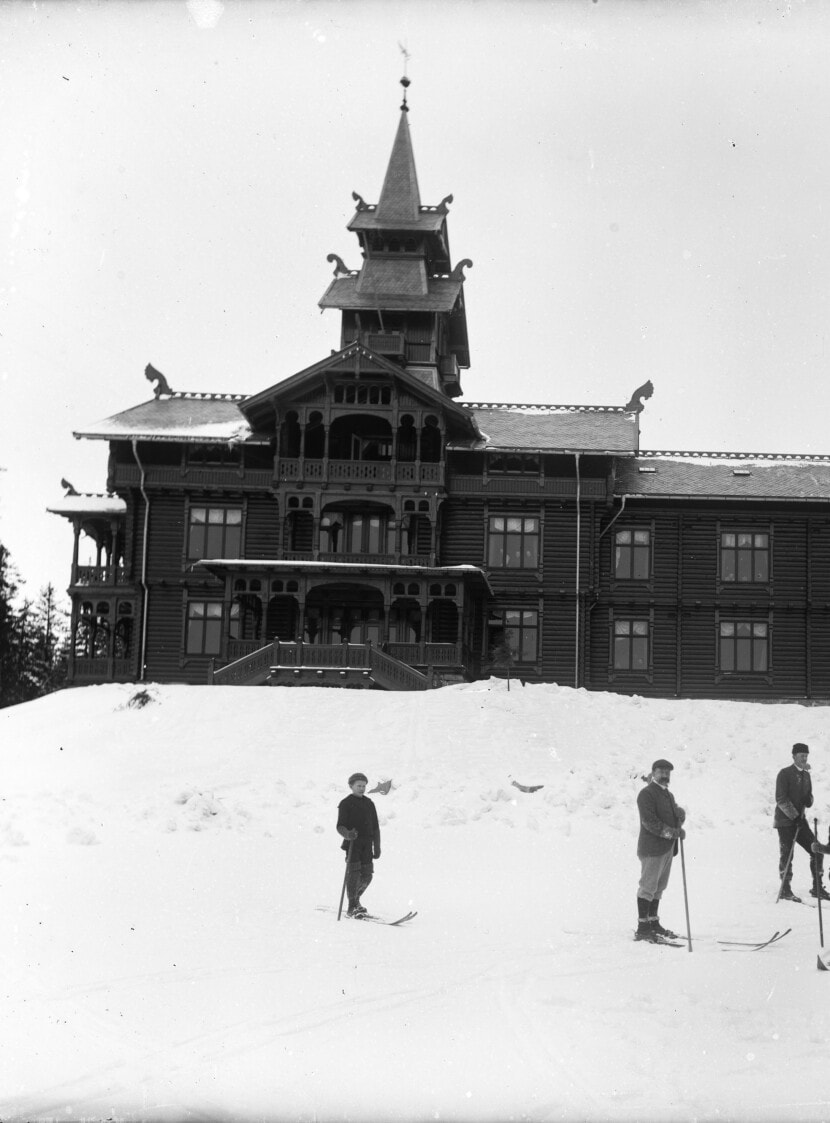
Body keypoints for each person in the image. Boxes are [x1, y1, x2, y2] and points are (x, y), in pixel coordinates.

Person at [635, 759, 686, 943]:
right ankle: (642, 928)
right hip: (652, 848)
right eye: (661, 771)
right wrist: (672, 832)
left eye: (667, 772)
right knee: (648, 887)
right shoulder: (646, 794)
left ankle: (653, 922)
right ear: (653, 772)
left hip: (666, 848)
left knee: (658, 887)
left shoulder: (667, 795)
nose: (665, 775)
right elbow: (649, 822)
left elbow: (672, 816)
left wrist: (680, 815)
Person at [775, 743, 828, 902]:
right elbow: (781, 799)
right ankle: (785, 889)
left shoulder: (806, 775)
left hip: (800, 822)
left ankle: (817, 888)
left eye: (806, 755)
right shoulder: (784, 774)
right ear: (794, 756)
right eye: (801, 755)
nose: (804, 758)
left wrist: (809, 800)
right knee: (787, 855)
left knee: (816, 849)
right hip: (785, 822)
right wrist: (794, 816)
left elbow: (810, 798)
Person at [336, 772, 381, 918]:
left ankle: (356, 900)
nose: (361, 788)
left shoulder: (369, 803)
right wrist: (348, 834)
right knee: (354, 874)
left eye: (363, 786)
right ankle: (351, 907)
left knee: (367, 875)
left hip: (367, 844)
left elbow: (375, 827)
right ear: (351, 786)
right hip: (353, 844)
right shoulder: (345, 803)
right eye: (358, 786)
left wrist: (377, 845)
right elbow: (340, 826)